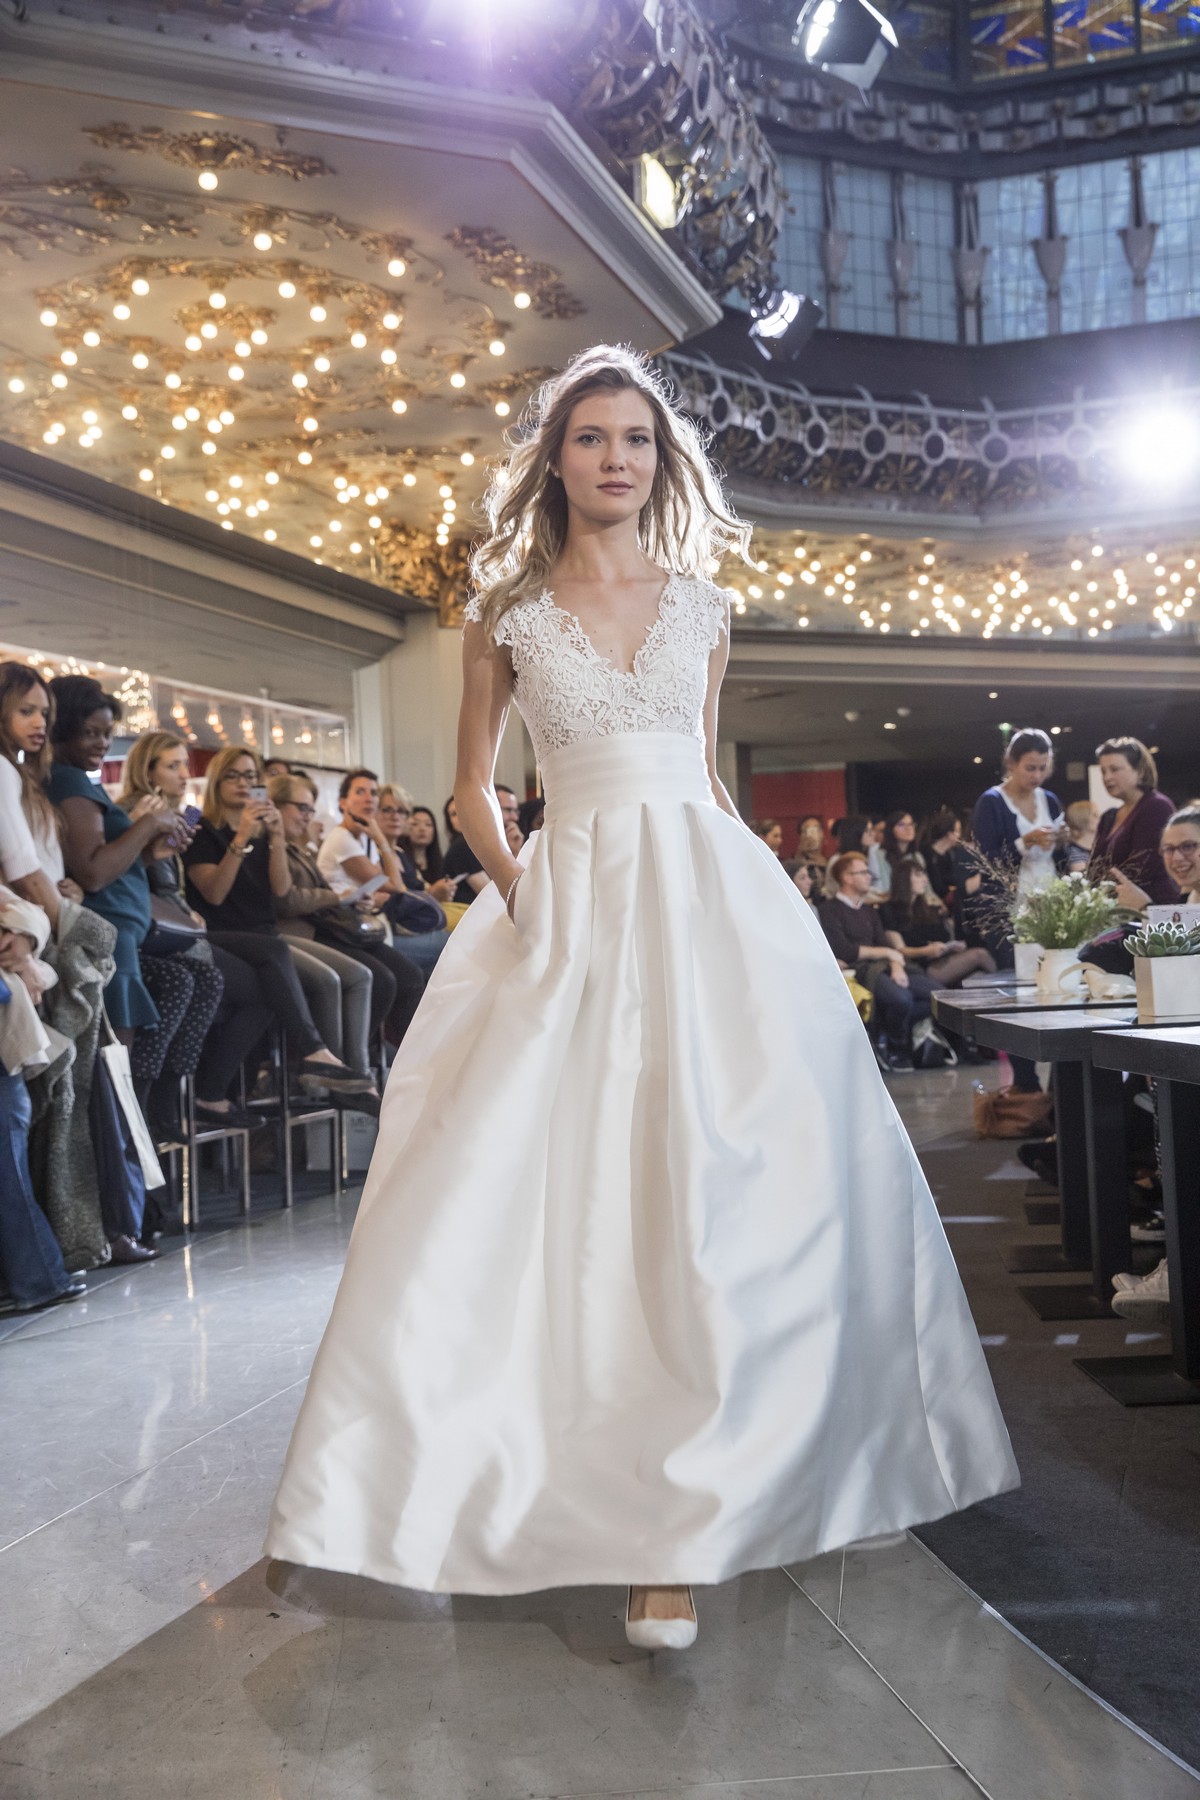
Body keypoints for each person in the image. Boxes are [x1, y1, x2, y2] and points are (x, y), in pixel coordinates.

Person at [264, 342, 1016, 1651]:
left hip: (708, 900)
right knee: (542, 1199)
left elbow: (710, 784)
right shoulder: (503, 611)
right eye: (594, 438)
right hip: (569, 898)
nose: (618, 458)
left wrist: (768, 911)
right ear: (554, 461)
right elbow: (471, 793)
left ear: (658, 464)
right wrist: (520, 886)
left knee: (725, 1186)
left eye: (638, 441)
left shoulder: (706, 607)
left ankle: (684, 1525)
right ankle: (508, 1478)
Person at [182, 746, 371, 1097]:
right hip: (222, 933)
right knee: (277, 962)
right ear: (217, 780)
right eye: (233, 776)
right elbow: (214, 894)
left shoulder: (264, 831)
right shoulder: (198, 821)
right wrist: (239, 840)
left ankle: (336, 1070)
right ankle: (316, 1057)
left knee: (344, 975)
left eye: (251, 776)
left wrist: (277, 838)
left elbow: (281, 889)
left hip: (264, 936)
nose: (243, 783)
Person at [118, 731, 270, 1132]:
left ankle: (178, 1096)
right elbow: (140, 880)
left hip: (175, 927)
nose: (185, 774)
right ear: (146, 771)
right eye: (173, 765)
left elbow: (169, 885)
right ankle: (164, 1100)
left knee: (225, 978)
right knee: (196, 982)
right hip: (147, 934)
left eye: (186, 764)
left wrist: (186, 911)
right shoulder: (136, 812)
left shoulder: (175, 813)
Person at [272, 773, 424, 1068]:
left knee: (408, 974)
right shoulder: (341, 839)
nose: (370, 799)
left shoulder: (313, 843)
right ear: (343, 802)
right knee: (392, 974)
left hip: (347, 922)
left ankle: (392, 1058)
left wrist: (355, 896)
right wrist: (378, 839)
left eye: (373, 793)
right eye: (360, 792)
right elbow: (396, 885)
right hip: (322, 927)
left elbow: (392, 886)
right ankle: (364, 1062)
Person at [819, 851, 937, 1070]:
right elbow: (846, 951)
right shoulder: (830, 910)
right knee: (901, 999)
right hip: (859, 970)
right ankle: (896, 1047)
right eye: (863, 872)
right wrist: (888, 955)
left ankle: (885, 1026)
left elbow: (884, 944)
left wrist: (894, 963)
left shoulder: (868, 911)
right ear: (847, 877)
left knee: (937, 995)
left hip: (884, 965)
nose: (869, 877)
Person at [0, 662, 81, 923]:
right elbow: (23, 871)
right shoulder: (3, 768)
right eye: (26, 711)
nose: (40, 723)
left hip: (42, 914)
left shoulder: (20, 771)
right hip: (32, 919)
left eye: (44, 713)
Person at [880, 857, 996, 988]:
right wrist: (926, 951)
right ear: (903, 879)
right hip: (919, 965)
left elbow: (942, 937)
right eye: (919, 875)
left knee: (980, 976)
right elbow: (900, 949)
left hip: (943, 958)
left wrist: (951, 946)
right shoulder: (889, 910)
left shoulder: (926, 908)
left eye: (924, 874)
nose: (925, 880)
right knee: (980, 955)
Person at [1088, 736, 1176, 906]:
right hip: (1115, 909)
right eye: (1103, 771)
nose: (1107, 777)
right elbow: (1094, 868)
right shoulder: (1109, 816)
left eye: (1114, 769)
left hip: (1152, 908)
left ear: (1140, 771)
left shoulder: (1156, 806)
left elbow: (1142, 869)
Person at [870, 810, 923, 899]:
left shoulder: (917, 856)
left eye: (911, 824)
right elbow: (878, 887)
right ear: (891, 829)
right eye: (901, 825)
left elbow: (926, 888)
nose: (908, 828)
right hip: (888, 902)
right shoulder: (878, 855)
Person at [1064, 800, 1098, 871]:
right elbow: (1084, 880)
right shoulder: (1075, 854)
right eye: (1095, 815)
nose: (1099, 817)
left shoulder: (1100, 844)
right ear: (1083, 819)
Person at [794, 814, 827, 886]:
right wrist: (801, 852)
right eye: (806, 830)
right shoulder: (794, 863)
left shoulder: (829, 861)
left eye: (815, 830)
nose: (811, 834)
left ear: (822, 834)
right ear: (801, 835)